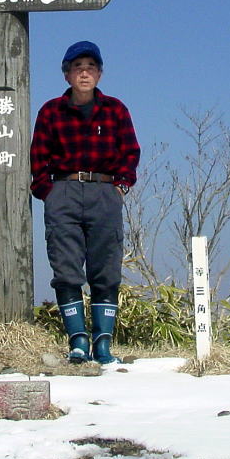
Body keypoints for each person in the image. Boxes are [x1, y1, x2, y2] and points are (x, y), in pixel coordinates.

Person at [30, 41, 140, 364]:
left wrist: (121, 187)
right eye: (77, 68)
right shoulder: (51, 111)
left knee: (106, 268)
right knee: (66, 269)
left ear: (99, 74)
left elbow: (131, 151)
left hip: (104, 191)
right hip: (63, 191)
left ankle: (103, 344)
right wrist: (48, 192)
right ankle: (77, 340)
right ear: (66, 75)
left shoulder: (116, 110)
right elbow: (38, 156)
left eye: (91, 67)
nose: (84, 73)